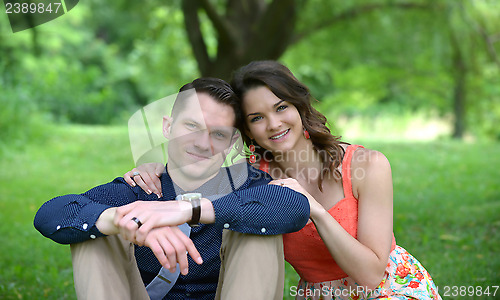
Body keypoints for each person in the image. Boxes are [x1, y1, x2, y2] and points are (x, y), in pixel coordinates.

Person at [131, 61, 442, 300]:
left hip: (390, 289)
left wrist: (315, 211)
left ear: (299, 106)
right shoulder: (252, 177)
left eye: (281, 107)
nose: (274, 124)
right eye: (257, 118)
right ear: (247, 131)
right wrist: (154, 169)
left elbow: (371, 275)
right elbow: (194, 181)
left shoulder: (366, 166)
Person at [34, 77, 310, 300]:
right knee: (95, 229)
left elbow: (294, 206)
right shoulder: (139, 189)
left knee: (257, 226)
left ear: (230, 142)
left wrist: (186, 210)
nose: (203, 144)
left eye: (218, 134)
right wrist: (120, 220)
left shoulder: (247, 184)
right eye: (192, 126)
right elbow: (51, 214)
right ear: (168, 127)